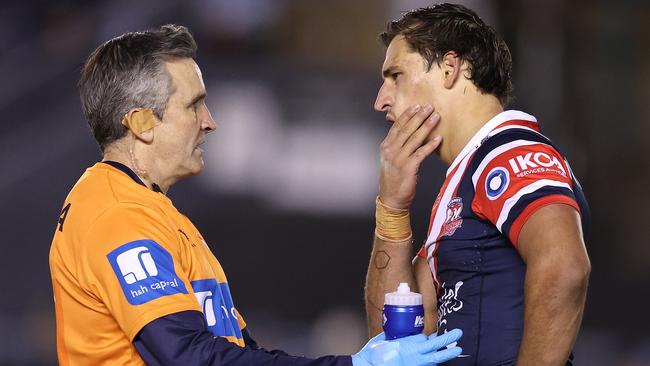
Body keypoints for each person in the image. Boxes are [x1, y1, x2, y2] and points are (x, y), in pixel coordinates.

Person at [48, 24, 464, 366]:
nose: (210, 122)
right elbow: (189, 358)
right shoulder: (118, 214)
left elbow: (240, 355)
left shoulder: (152, 211)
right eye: (194, 106)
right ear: (141, 123)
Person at [365, 4, 591, 366]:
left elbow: (564, 267)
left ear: (450, 69)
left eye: (396, 76)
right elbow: (393, 348)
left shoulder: (510, 151)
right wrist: (391, 208)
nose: (381, 100)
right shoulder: (462, 181)